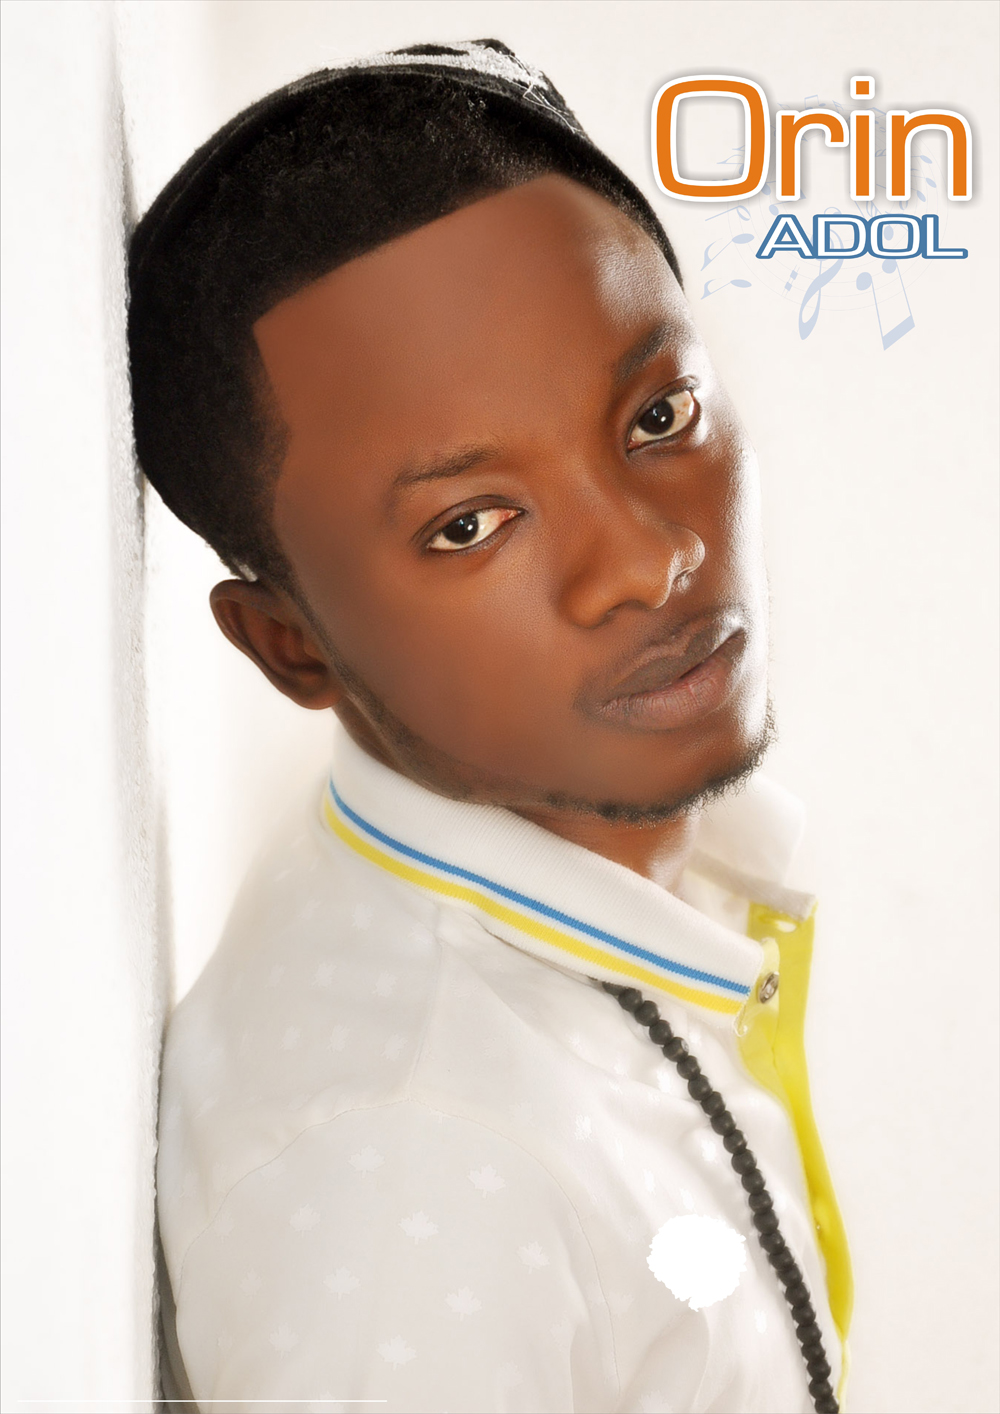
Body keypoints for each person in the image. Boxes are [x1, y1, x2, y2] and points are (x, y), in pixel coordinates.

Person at [131, 39, 851, 1414]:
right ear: (291, 645)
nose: (647, 560)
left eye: (659, 415)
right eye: (470, 524)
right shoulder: (419, 1171)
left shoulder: (593, 885)